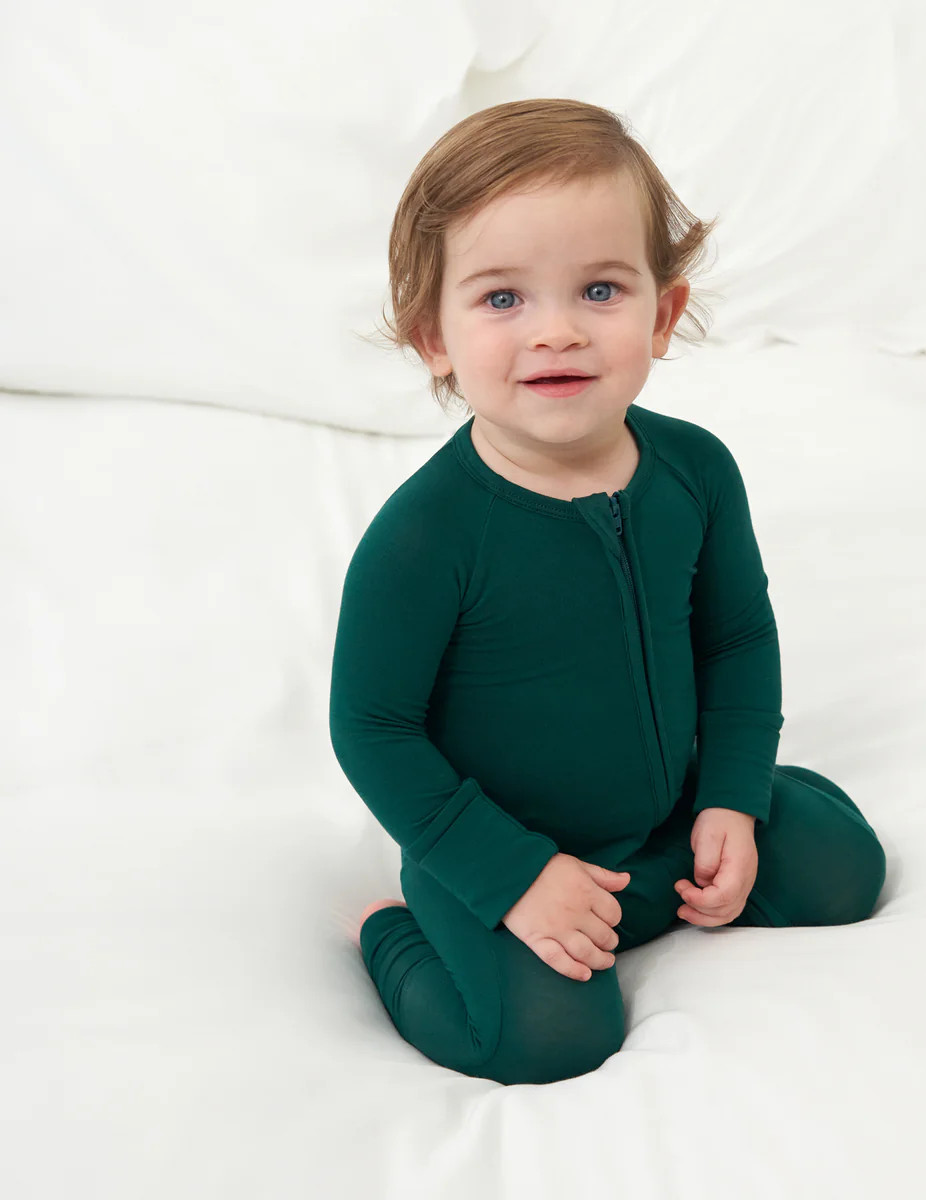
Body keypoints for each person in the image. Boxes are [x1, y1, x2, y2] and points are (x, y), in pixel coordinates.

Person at [328, 98, 886, 1086]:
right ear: (433, 337)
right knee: (544, 1043)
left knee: (847, 869)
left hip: (668, 826)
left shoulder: (696, 471)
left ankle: (709, 844)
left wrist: (731, 797)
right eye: (503, 298)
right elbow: (372, 728)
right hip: (510, 853)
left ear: (661, 314)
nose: (557, 333)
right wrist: (513, 877)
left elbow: (735, 641)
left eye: (599, 290)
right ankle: (391, 933)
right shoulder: (424, 536)